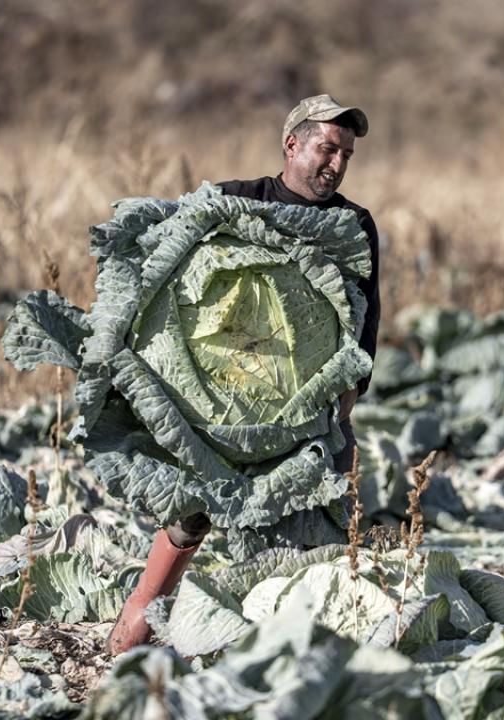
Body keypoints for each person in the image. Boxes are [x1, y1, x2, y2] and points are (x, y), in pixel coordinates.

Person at [108, 94, 379, 655]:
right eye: (327, 149)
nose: (337, 165)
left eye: (347, 156)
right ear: (292, 145)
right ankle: (136, 618)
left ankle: (300, 639)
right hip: (209, 397)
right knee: (191, 507)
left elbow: (364, 316)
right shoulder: (231, 201)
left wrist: (349, 388)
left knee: (331, 506)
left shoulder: (352, 224)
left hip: (305, 402)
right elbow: (159, 258)